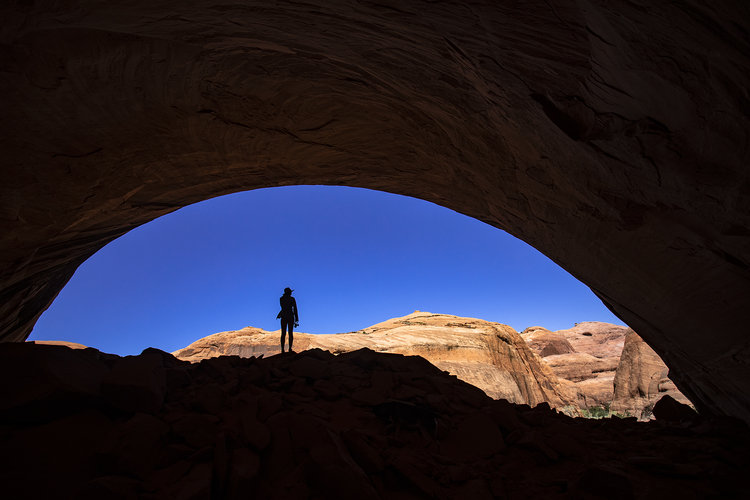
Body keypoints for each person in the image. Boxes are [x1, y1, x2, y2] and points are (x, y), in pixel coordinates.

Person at [277, 287, 299, 352]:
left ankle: (282, 349)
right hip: (290, 316)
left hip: (283, 316)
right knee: (290, 333)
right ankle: (289, 348)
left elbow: (283, 307)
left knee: (283, 333)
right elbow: (295, 308)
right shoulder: (292, 299)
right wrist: (296, 318)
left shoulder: (281, 299)